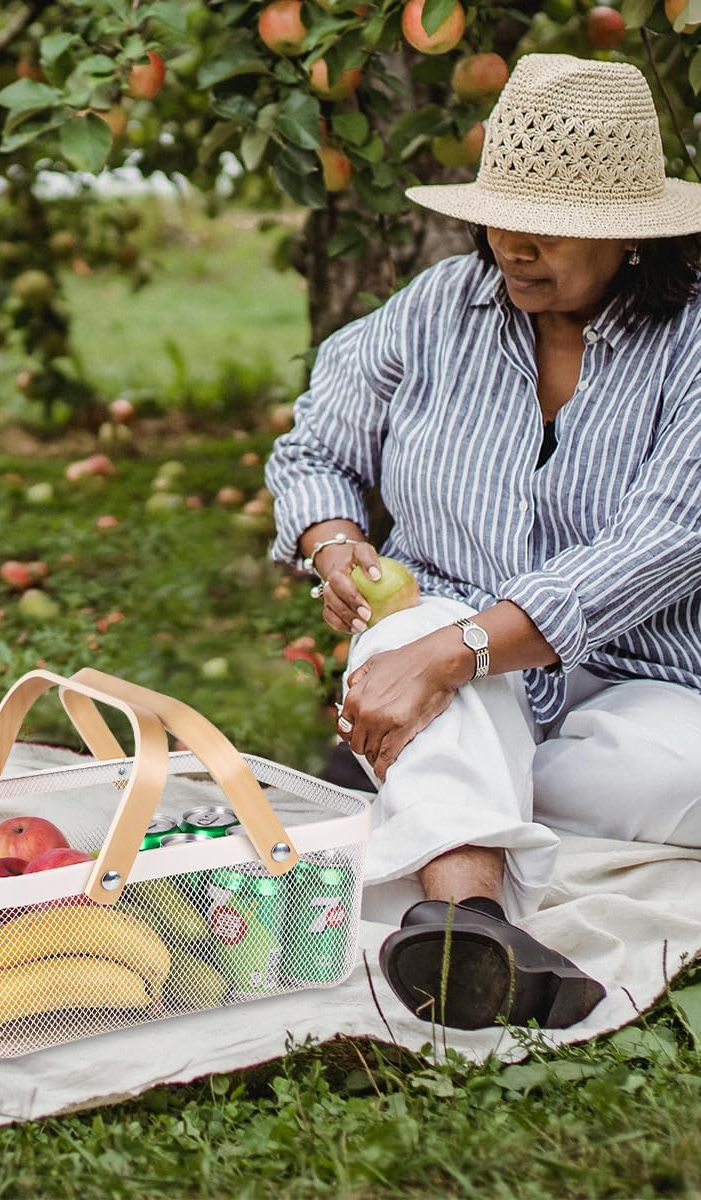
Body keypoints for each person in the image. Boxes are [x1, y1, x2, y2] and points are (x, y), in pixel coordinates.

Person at [266, 54, 701, 1030]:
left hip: (646, 676)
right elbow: (315, 449)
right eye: (501, 214)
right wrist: (336, 547)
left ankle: (432, 779)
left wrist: (449, 659)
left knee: (678, 774)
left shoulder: (694, 344)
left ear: (630, 233)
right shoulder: (432, 310)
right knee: (411, 638)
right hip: (439, 622)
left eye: (549, 226)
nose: (512, 244)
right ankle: (467, 920)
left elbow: (669, 538)